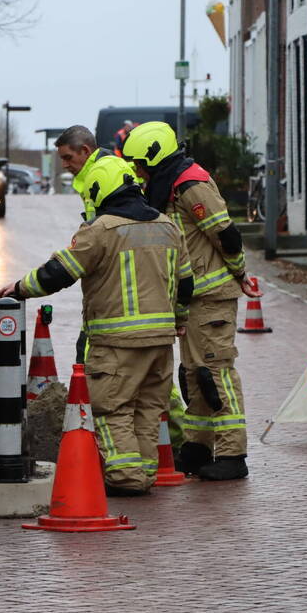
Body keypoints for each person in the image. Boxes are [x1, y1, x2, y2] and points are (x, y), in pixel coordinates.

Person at [0, 157, 193, 495]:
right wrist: (179, 320)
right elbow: (186, 283)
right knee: (148, 410)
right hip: (161, 342)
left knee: (111, 408)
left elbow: (60, 271)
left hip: (117, 342)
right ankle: (145, 473)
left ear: (100, 190)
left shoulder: (101, 230)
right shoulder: (167, 226)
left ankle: (126, 477)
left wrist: (19, 287)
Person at [123, 121, 261, 481]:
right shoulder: (168, 185)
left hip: (212, 297)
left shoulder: (190, 184)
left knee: (216, 373)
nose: (137, 172)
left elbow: (225, 234)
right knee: (194, 375)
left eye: (139, 164)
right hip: (192, 298)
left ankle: (233, 453)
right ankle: (199, 448)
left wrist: (241, 274)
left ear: (153, 158)